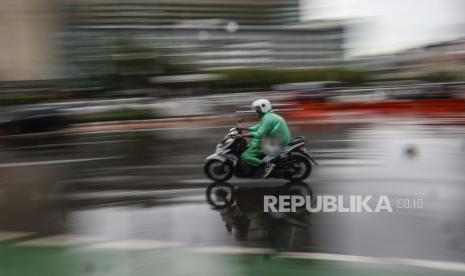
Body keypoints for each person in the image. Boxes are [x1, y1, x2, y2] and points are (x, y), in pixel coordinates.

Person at [234, 99, 292, 177]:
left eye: (258, 108)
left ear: (264, 107)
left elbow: (260, 134)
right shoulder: (268, 116)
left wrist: (242, 135)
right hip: (277, 138)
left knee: (245, 156)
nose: (256, 110)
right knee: (250, 145)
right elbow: (259, 127)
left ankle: (265, 166)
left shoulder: (268, 118)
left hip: (277, 141)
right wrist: (245, 128)